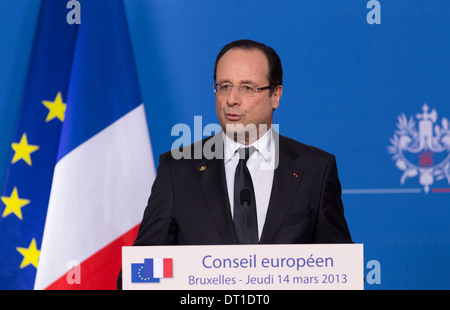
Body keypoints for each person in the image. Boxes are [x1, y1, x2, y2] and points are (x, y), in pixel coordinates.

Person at [117, 39, 351, 288]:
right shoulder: (178, 169)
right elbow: (136, 276)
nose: (232, 99)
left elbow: (340, 273)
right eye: (224, 86)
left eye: (248, 88)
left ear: (276, 96)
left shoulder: (315, 169)